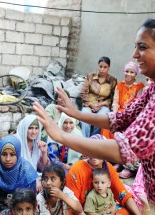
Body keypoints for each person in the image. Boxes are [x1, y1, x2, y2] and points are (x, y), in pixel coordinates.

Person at [32, 18, 155, 209]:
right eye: (135, 47)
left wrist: (62, 136)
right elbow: (121, 118)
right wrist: (77, 113)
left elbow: (126, 148)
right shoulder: (151, 89)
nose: (135, 54)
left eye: (142, 47)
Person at [65, 134, 139, 215]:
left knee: (126, 212)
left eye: (98, 150)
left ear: (105, 153)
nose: (94, 154)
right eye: (91, 149)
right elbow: (72, 205)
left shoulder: (109, 168)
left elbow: (123, 195)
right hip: (83, 211)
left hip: (103, 210)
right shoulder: (76, 170)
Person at [80, 56, 117, 137]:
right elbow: (83, 93)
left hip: (103, 105)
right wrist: (91, 104)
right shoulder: (90, 76)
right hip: (89, 104)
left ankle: (94, 141)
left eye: (105, 67)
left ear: (109, 68)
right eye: (100, 66)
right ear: (98, 66)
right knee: (85, 120)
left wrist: (101, 104)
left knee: (102, 120)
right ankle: (84, 142)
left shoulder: (112, 80)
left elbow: (112, 98)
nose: (102, 69)